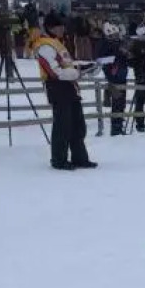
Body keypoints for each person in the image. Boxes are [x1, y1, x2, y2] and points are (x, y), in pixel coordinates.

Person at [31, 13, 96, 171]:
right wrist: (76, 73)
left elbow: (67, 64)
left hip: (70, 86)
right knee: (63, 125)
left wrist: (84, 67)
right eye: (59, 26)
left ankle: (79, 157)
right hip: (57, 87)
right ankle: (59, 159)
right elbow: (54, 71)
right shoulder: (44, 45)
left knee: (77, 125)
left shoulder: (58, 43)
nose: (62, 29)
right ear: (50, 28)